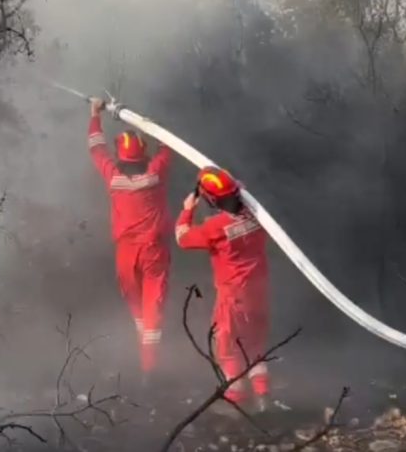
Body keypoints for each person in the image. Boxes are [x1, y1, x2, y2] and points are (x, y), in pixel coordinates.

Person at [86, 97, 172, 385]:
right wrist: (146, 125)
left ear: (121, 158)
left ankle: (144, 357)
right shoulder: (155, 175)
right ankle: (150, 368)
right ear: (143, 156)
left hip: (126, 253)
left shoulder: (114, 179)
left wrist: (95, 114)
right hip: (154, 252)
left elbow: (97, 149)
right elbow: (167, 146)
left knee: (138, 309)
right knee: (153, 309)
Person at [175, 166, 271, 414]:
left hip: (233, 295)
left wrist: (188, 209)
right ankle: (263, 397)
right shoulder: (256, 213)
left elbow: (183, 238)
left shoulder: (215, 227)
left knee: (226, 346)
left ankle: (235, 399)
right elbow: (239, 193)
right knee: (255, 343)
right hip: (259, 291)